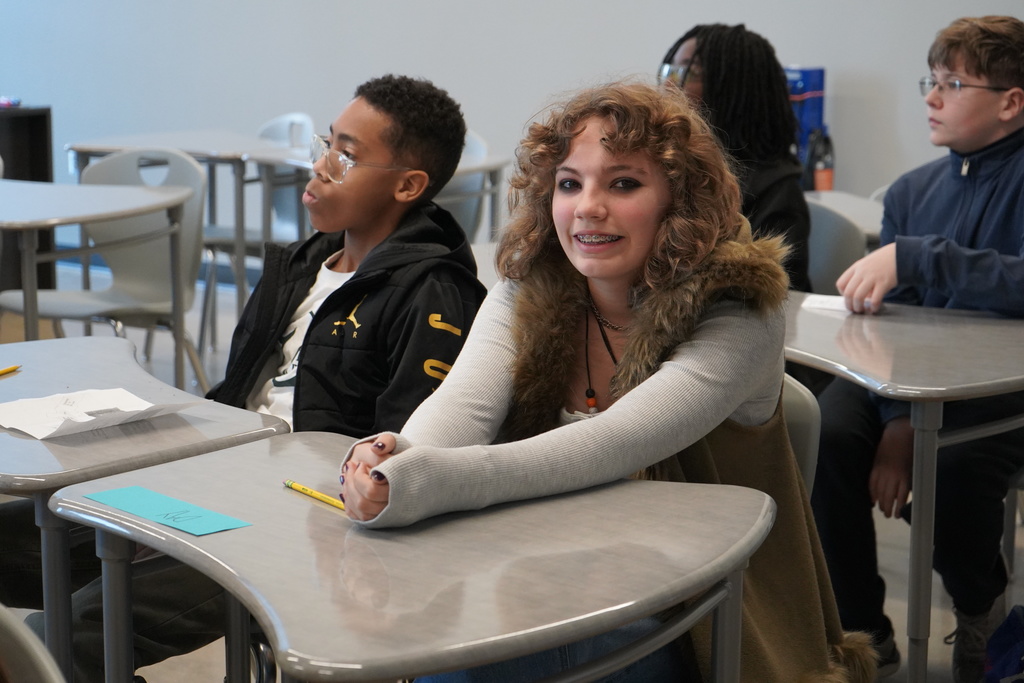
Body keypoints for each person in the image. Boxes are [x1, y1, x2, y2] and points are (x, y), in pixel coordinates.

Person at [341, 82, 875, 682]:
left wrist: (424, 482)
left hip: (704, 606)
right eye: (569, 183)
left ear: (682, 201)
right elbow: (462, 409)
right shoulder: (531, 286)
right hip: (545, 577)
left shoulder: (740, 307)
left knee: (461, 662)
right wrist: (395, 457)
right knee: (418, 636)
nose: (587, 207)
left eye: (623, 184)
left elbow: (610, 445)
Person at [0, 73, 488, 683]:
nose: (320, 166)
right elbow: (235, 397)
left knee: (52, 645)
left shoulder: (434, 292)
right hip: (214, 481)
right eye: (325, 143)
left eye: (347, 156)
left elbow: (405, 453)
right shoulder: (302, 264)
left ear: (408, 185)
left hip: (292, 529)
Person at [809, 16, 1024, 683]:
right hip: (897, 377)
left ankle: (979, 604)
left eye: (952, 83)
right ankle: (863, 634)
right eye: (930, 81)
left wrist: (922, 256)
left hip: (1000, 388)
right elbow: (887, 323)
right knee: (825, 432)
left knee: (955, 465)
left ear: (1012, 102)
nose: (931, 97)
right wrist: (897, 422)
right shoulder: (909, 193)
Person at [658, 23, 812, 294]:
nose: (668, 83)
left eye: (688, 72)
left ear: (734, 88)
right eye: (669, 69)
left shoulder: (776, 192)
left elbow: (770, 297)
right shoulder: (664, 168)